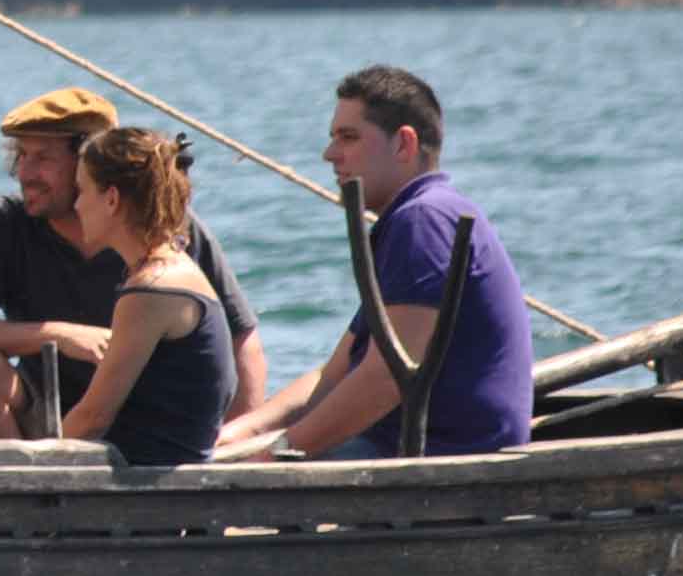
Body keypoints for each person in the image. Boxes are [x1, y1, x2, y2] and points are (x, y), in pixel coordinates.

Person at [215, 64, 534, 462]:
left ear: (404, 144)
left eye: (348, 137)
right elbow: (334, 374)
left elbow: (386, 378)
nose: (329, 154)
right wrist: (246, 431)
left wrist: (277, 454)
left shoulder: (424, 220)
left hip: (446, 455)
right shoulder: (417, 216)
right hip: (406, 444)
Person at [0, 88, 269, 447]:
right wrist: (58, 336)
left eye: (43, 158)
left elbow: (241, 341)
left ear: (90, 165)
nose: (25, 173)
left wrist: (237, 447)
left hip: (145, 427)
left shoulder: (166, 241)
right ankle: (6, 485)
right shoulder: (3, 223)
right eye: (22, 156)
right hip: (56, 415)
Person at [55, 127, 237, 466]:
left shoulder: (151, 289)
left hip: (152, 485)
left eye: (82, 191)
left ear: (111, 199)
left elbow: (93, 418)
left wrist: (32, 466)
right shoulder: (171, 268)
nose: (76, 204)